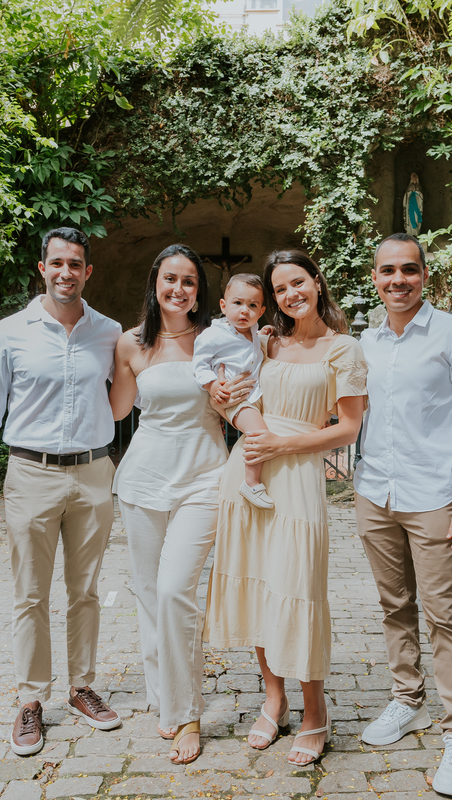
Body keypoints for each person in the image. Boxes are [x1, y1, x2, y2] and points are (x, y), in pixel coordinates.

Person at [205, 249, 367, 767]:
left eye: (298, 282)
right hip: (248, 467)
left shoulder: (344, 349)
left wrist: (280, 445)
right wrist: (219, 392)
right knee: (256, 584)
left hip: (296, 473)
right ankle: (273, 701)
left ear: (317, 283)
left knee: (297, 587)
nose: (290, 294)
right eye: (280, 289)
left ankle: (315, 711)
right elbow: (227, 393)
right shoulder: (265, 341)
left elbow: (347, 429)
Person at [0, 227, 123, 758]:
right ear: (42, 268)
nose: (66, 272)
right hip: (30, 474)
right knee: (30, 593)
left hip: (93, 473)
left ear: (88, 271)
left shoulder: (110, 333)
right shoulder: (11, 331)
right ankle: (32, 698)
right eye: (57, 262)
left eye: (75, 264)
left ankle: (82, 687)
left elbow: (131, 391)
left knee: (85, 590)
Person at [352, 233, 452, 797]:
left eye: (408, 270)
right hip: (375, 495)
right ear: (374, 277)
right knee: (394, 606)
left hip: (436, 495)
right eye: (387, 271)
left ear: (424, 274)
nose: (398, 280)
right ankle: (407, 700)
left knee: (444, 615)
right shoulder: (365, 342)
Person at [109, 244, 228, 765]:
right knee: (149, 594)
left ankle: (188, 713)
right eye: (170, 279)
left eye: (189, 282)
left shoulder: (216, 338)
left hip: (205, 477)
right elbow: (115, 410)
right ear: (155, 284)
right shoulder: (129, 344)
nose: (179, 289)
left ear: (199, 292)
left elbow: (249, 382)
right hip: (143, 480)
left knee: (177, 591)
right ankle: (163, 698)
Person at [191, 273, 274, 509]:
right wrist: (213, 385)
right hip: (234, 398)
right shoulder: (214, 335)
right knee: (258, 433)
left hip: (255, 396)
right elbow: (199, 364)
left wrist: (262, 335)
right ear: (223, 305)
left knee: (261, 432)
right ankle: (251, 483)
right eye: (238, 303)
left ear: (260, 310)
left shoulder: (252, 332)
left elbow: (251, 349)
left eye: (252, 305)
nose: (244, 311)